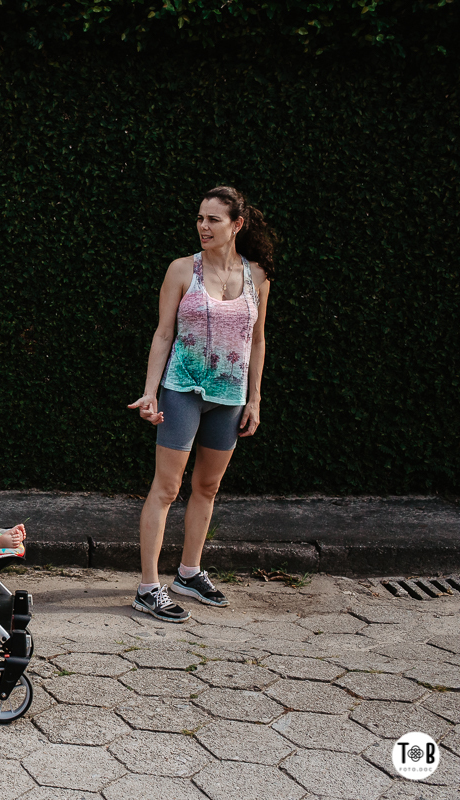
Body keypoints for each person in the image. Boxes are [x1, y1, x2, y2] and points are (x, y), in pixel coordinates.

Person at [127, 186, 275, 623]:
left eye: (213, 219)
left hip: (229, 399)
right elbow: (163, 334)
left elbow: (258, 341)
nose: (203, 227)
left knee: (206, 488)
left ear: (237, 224)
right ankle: (148, 587)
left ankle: (188, 573)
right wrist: (151, 391)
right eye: (199, 218)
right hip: (181, 390)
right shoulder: (181, 270)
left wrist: (256, 399)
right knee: (167, 489)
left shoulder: (258, 277)